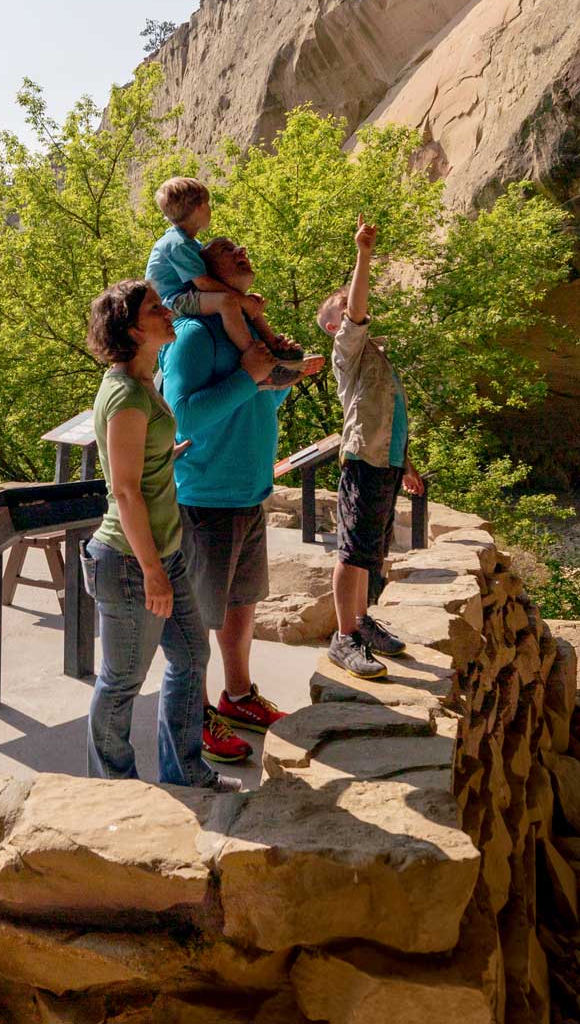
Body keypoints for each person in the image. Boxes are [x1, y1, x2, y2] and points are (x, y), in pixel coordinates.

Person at [158, 236, 325, 763]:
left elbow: (263, 396)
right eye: (227, 249)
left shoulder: (249, 328)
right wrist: (251, 375)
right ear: (203, 272)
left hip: (248, 492)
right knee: (196, 621)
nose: (242, 251)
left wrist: (284, 372)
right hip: (204, 496)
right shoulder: (191, 335)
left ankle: (238, 697)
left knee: (240, 604)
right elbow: (181, 415)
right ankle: (195, 714)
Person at [80, 278, 218, 788]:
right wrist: (153, 572)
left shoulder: (145, 382)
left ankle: (185, 773)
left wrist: (172, 454)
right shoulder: (126, 397)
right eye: (156, 309)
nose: (167, 314)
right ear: (133, 329)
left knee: (191, 656)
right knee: (121, 682)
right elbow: (126, 491)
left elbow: (144, 465)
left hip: (164, 553)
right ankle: (114, 787)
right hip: (131, 561)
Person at [317, 217, 425, 680]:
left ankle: (361, 622)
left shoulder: (373, 356)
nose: (357, 308)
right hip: (364, 462)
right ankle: (344, 637)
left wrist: (406, 465)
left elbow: (388, 418)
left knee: (369, 552)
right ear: (334, 326)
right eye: (346, 308)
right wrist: (363, 254)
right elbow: (356, 310)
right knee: (354, 550)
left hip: (384, 461)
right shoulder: (348, 350)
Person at [147, 176, 302, 385]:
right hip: (174, 301)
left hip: (184, 295)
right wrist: (241, 299)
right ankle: (254, 355)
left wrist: (245, 300)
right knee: (228, 302)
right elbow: (203, 283)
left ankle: (276, 348)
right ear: (200, 207)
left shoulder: (190, 242)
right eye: (208, 204)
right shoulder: (177, 243)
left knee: (241, 301)